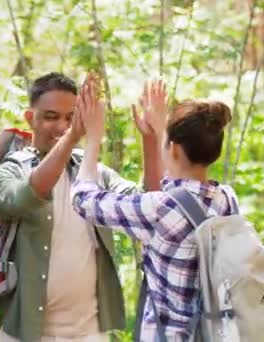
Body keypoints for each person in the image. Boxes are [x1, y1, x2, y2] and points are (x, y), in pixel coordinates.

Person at [0, 73, 165, 342]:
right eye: (51, 117)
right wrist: (73, 137)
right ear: (29, 118)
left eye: (71, 118)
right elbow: (24, 197)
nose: (62, 126)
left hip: (89, 332)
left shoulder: (95, 174)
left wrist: (151, 137)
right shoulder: (8, 171)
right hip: (24, 333)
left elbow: (148, 206)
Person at [71, 80, 238, 341]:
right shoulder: (226, 199)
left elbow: (83, 200)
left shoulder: (159, 209)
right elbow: (174, 186)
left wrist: (92, 140)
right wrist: (160, 131)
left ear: (173, 147)